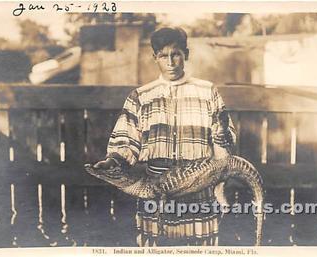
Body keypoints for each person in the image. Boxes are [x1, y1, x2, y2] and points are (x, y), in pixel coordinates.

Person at [93, 27, 237, 246]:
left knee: (199, 248)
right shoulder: (141, 97)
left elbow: (225, 141)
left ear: (186, 55)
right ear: (155, 58)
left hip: (199, 194)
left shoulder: (207, 92)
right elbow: (124, 142)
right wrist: (112, 161)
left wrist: (223, 137)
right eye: (163, 56)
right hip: (155, 193)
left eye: (176, 54)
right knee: (157, 247)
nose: (170, 62)